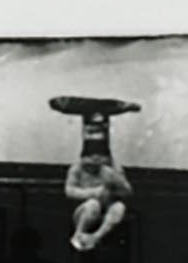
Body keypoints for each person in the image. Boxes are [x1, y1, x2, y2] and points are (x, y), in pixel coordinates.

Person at [50, 96, 139, 252]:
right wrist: (92, 192)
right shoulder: (78, 168)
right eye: (92, 156)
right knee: (93, 205)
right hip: (86, 209)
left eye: (98, 157)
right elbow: (69, 190)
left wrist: (116, 180)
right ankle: (79, 233)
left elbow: (127, 191)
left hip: (106, 207)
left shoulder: (112, 168)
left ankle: (96, 236)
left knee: (118, 207)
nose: (95, 160)